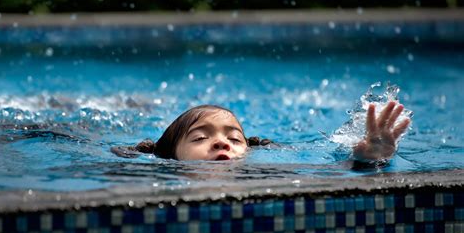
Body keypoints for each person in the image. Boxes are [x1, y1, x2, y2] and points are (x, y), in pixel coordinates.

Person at [111, 102, 410, 164]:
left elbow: (330, 174)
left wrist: (368, 158)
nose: (220, 142)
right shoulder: (155, 177)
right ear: (170, 155)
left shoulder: (266, 173)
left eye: (234, 138)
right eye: (200, 137)